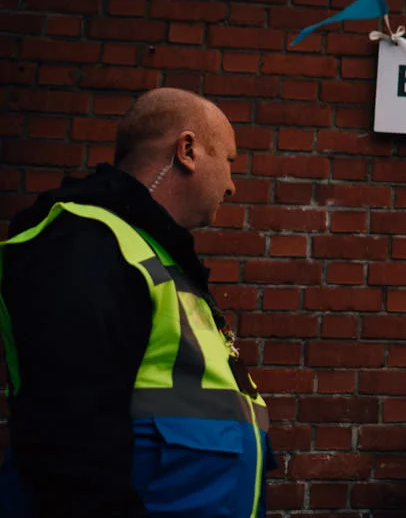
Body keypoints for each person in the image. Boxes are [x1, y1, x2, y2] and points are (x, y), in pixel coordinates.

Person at [0, 87, 270, 518]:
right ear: (188, 150)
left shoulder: (149, 252)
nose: (232, 185)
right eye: (230, 161)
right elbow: (67, 431)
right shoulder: (84, 244)